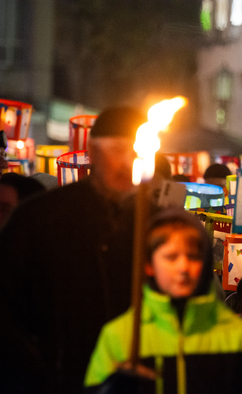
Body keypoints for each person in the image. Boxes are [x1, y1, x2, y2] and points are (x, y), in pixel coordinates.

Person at [0, 106, 146, 393]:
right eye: (118, 150)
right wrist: (38, 371)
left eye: (137, 151)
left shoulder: (161, 226)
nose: (127, 161)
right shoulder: (41, 218)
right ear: (92, 151)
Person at [85, 208, 242, 393]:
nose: (183, 267)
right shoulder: (119, 336)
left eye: (193, 256)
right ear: (149, 265)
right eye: (171, 257)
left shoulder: (241, 338)